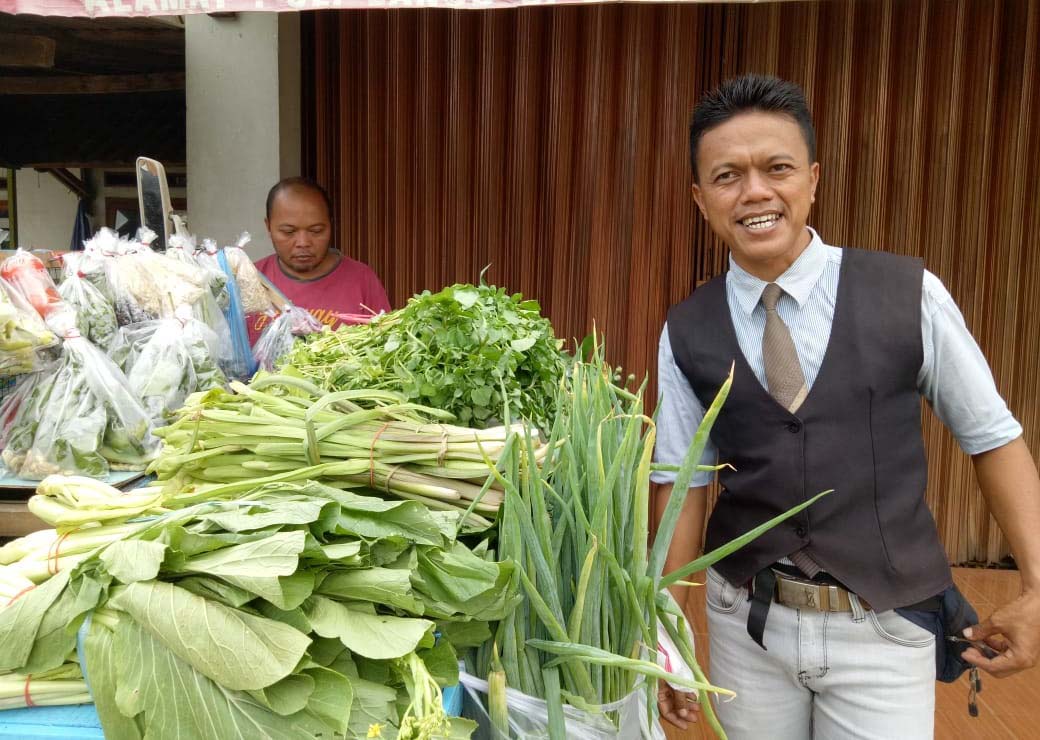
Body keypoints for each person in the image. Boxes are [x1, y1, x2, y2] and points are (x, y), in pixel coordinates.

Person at [652, 74, 1040, 738]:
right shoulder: (688, 328)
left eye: (776, 168)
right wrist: (664, 627)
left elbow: (992, 438)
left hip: (885, 630)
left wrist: (1038, 586)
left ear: (812, 179)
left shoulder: (906, 294)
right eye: (727, 176)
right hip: (749, 628)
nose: (755, 192)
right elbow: (681, 483)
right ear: (700, 197)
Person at [249, 177, 391, 342]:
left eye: (316, 231)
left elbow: (383, 348)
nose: (303, 243)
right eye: (288, 232)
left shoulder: (361, 280)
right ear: (268, 227)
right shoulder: (251, 281)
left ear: (330, 226)